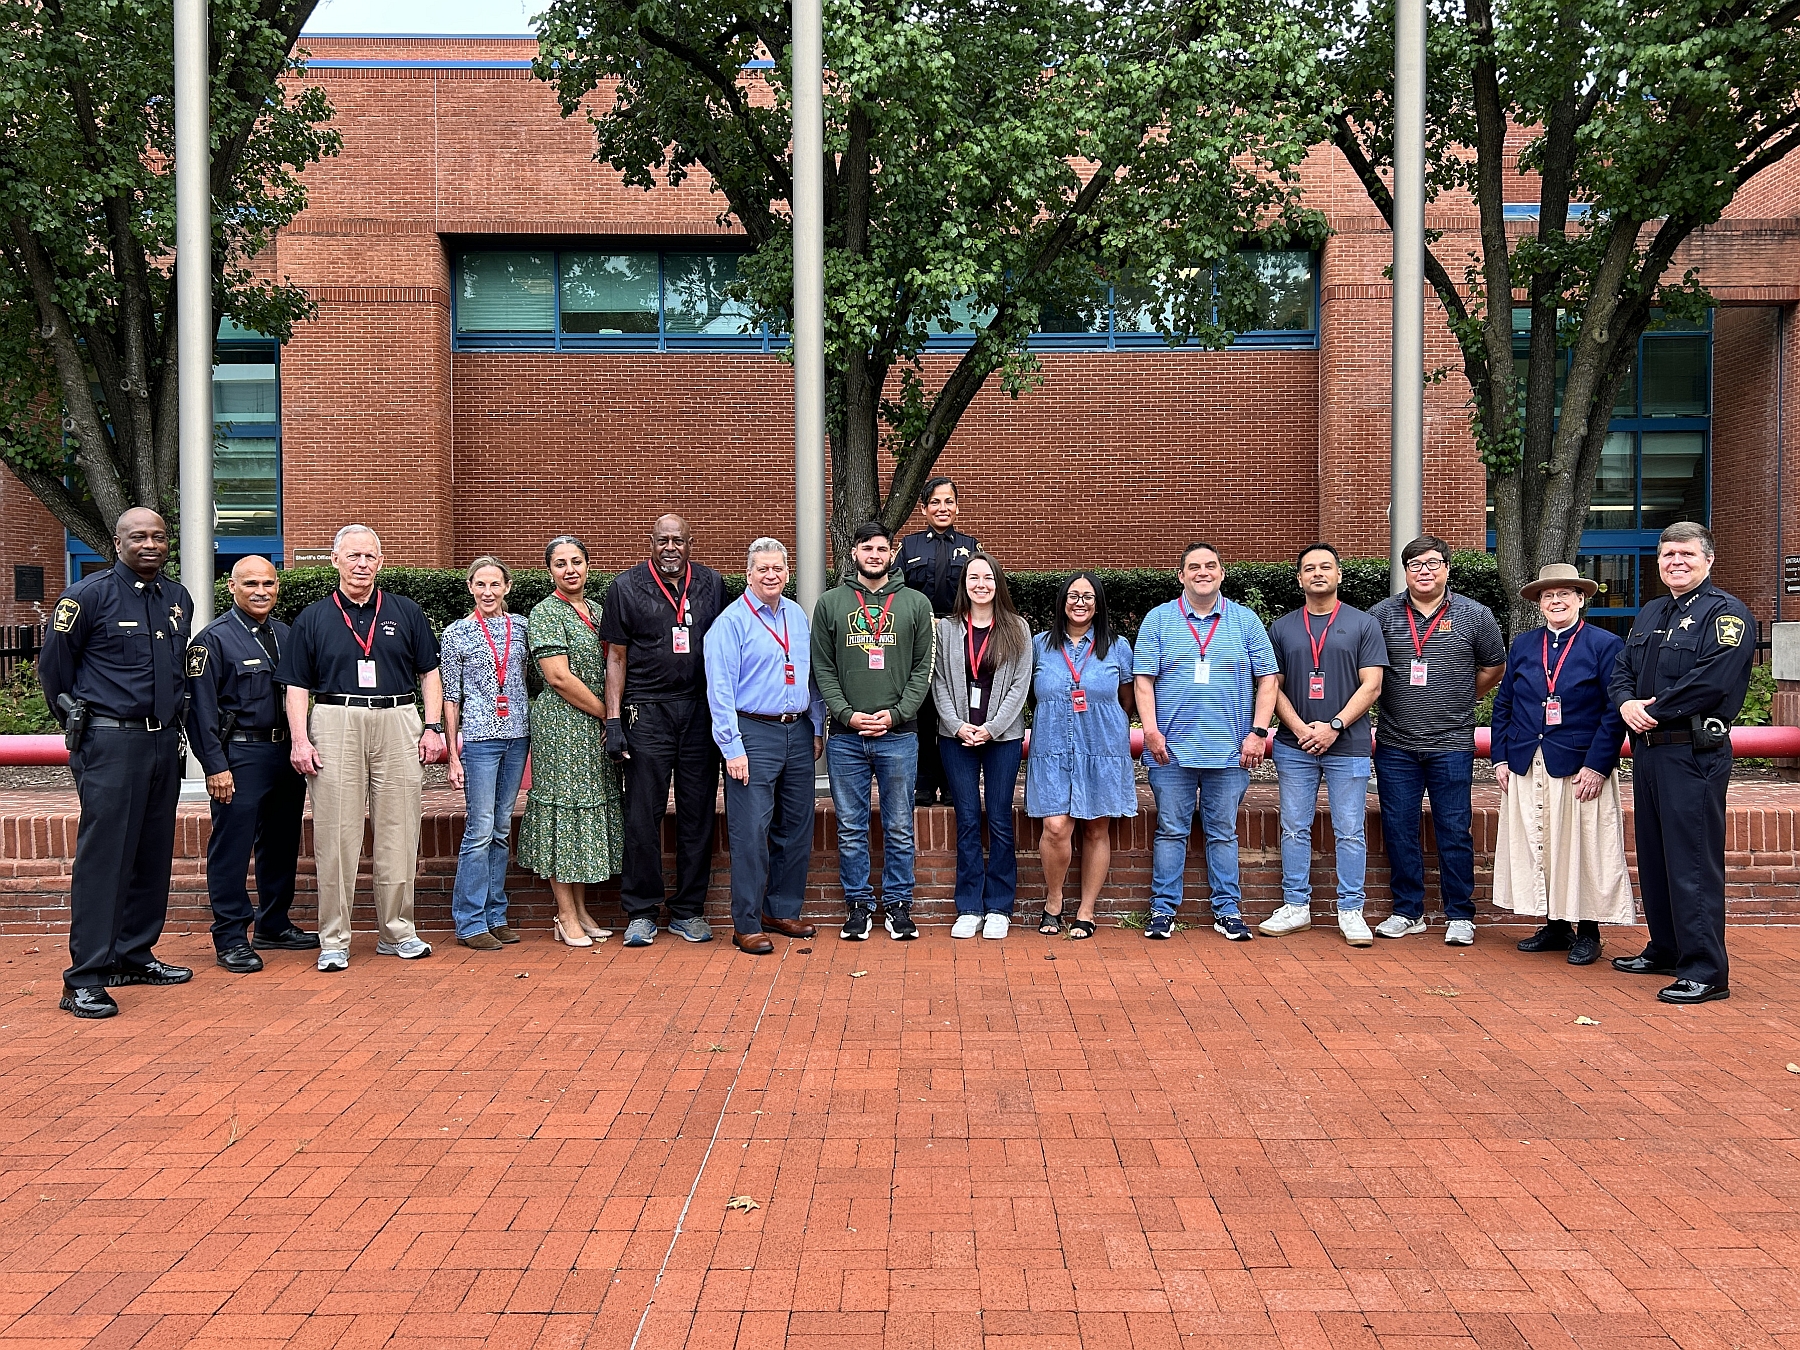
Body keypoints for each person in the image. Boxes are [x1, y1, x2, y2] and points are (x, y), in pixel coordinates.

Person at [39, 508, 194, 1017]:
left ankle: (133, 954)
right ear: (118, 541)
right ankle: (83, 977)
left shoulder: (176, 598)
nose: (150, 545)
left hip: (161, 744)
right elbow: (55, 672)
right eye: (138, 537)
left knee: (152, 854)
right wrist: (76, 723)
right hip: (110, 744)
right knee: (105, 859)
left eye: (158, 537)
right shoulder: (87, 597)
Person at [281, 524, 446, 970]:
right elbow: (295, 686)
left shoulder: (406, 612)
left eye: (369, 557)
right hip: (336, 720)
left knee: (400, 829)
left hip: (398, 719)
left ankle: (397, 932)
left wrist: (433, 727)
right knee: (336, 834)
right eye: (353, 556)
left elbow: (430, 672)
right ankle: (334, 939)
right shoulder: (313, 618)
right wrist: (301, 739)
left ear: (380, 561)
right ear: (335, 561)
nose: (361, 565)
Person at [1611, 522, 1756, 1004]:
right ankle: (1667, 948)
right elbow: (1622, 670)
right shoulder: (1652, 611)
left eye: (1687, 554)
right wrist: (1626, 703)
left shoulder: (1727, 615)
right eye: (1668, 554)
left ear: (1708, 560)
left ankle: (1706, 969)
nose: (1676, 561)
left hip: (1693, 754)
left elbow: (1711, 682)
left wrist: (1650, 710)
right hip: (1650, 752)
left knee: (1692, 861)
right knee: (1655, 856)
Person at [1135, 542, 1279, 942]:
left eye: (1211, 566)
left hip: (1232, 750)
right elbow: (1143, 681)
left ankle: (1227, 911)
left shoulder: (1246, 622)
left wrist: (1259, 732)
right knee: (1170, 831)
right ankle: (1162, 910)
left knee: (1223, 833)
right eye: (1194, 567)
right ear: (1181, 575)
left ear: (1221, 572)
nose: (1203, 572)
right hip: (1171, 751)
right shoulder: (1159, 620)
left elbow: (1268, 680)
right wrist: (1149, 730)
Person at [1368, 534, 1506, 946]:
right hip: (1396, 742)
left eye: (1432, 563)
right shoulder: (1381, 615)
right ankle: (1408, 911)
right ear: (1405, 571)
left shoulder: (1474, 615)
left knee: (1453, 828)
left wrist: (1463, 697)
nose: (1424, 572)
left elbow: (1493, 666)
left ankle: (1460, 914)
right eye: (1415, 565)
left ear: (1447, 567)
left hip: (1452, 742)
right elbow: (1369, 670)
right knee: (1399, 827)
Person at [1491, 563, 1632, 966]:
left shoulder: (1605, 645)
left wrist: (1598, 766)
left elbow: (1613, 711)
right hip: (1525, 759)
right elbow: (1504, 705)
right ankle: (1556, 926)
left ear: (1581, 599)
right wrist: (1501, 756)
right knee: (1543, 842)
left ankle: (1588, 931)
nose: (1556, 601)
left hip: (1578, 764)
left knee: (1584, 845)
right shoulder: (1522, 644)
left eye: (1565, 594)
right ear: (1539, 603)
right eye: (1548, 596)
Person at [601, 514, 728, 947]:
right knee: (642, 815)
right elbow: (615, 658)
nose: (670, 547)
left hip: (699, 714)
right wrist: (614, 720)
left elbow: (726, 653)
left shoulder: (712, 584)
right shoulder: (625, 587)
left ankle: (689, 910)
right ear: (650, 542)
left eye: (677, 540)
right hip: (646, 712)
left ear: (690, 543)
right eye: (662, 540)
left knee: (698, 815)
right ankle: (641, 911)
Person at [185, 555, 313, 974]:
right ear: (232, 588)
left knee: (280, 842)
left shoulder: (286, 634)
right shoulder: (213, 640)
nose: (261, 591)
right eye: (251, 583)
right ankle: (230, 936)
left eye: (269, 583)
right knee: (232, 848)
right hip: (239, 756)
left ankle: (273, 924)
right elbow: (199, 713)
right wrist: (213, 766)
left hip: (284, 754)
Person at [812, 520, 937, 940]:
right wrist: (846, 714)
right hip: (847, 738)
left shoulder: (916, 604)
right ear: (854, 553)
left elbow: (923, 669)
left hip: (899, 735)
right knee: (850, 826)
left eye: (882, 549)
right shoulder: (830, 604)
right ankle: (859, 906)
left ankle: (899, 906)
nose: (874, 555)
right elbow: (823, 669)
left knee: (900, 825)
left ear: (892, 553)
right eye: (867, 548)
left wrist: (897, 714)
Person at [704, 538, 827, 955]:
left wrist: (816, 725)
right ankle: (747, 922)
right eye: (763, 569)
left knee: (796, 826)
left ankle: (781, 909)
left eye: (778, 569)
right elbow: (719, 693)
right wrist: (732, 748)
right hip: (752, 733)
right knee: (751, 832)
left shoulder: (796, 615)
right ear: (749, 574)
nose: (771, 575)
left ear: (787, 573)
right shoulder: (730, 622)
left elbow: (811, 676)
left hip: (797, 732)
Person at [1262, 543, 1388, 946]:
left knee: (1350, 830)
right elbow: (1270, 685)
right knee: (1294, 827)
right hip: (1292, 745)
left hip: (1348, 744)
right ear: (1299, 578)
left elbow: (1373, 684)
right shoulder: (1281, 628)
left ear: (1338, 575)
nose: (1318, 573)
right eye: (1309, 568)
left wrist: (1334, 726)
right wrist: (1300, 728)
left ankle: (1351, 910)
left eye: (1326, 567)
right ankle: (1296, 906)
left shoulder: (1363, 624)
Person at [518, 535, 625, 946]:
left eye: (576, 561)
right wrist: (607, 715)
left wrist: (609, 718)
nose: (570, 569)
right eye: (560, 563)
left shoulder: (598, 610)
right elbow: (558, 677)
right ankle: (564, 914)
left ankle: (581, 909)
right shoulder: (545, 612)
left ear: (588, 565)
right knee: (565, 815)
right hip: (564, 726)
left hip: (596, 727)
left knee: (587, 814)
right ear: (550, 571)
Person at [1024, 572, 1137, 939]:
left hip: (1101, 748)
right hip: (1052, 747)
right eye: (1073, 596)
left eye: (1088, 597)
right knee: (1055, 827)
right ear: (1062, 601)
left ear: (1099, 603)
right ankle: (1053, 901)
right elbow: (1029, 693)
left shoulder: (1117, 647)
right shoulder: (1040, 645)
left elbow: (1127, 700)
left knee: (1096, 828)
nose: (1080, 602)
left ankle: (1086, 911)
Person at [930, 552, 1032, 939]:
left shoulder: (1017, 629)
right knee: (969, 819)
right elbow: (937, 682)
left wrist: (990, 728)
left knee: (1000, 818)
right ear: (964, 584)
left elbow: (1020, 688)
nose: (981, 584)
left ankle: (1000, 906)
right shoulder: (948, 628)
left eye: (987, 577)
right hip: (955, 738)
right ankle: (970, 905)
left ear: (997, 582)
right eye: (973, 577)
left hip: (1002, 738)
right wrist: (957, 726)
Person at [440, 557, 531, 951]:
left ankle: (496, 915)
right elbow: (450, 697)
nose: (488, 592)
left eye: (495, 584)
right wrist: (453, 753)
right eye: (480, 584)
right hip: (479, 740)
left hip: (518, 735)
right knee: (478, 830)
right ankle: (470, 920)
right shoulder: (456, 634)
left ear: (507, 587)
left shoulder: (523, 628)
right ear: (470, 587)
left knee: (500, 828)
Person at [900, 476, 980, 806]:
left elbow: (981, 593)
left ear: (957, 507)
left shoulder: (972, 546)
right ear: (924, 508)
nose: (942, 508)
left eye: (949, 501)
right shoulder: (908, 547)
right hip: (920, 640)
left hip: (959, 638)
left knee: (956, 709)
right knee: (923, 711)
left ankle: (951, 783)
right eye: (935, 502)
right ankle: (923, 782)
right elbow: (898, 595)